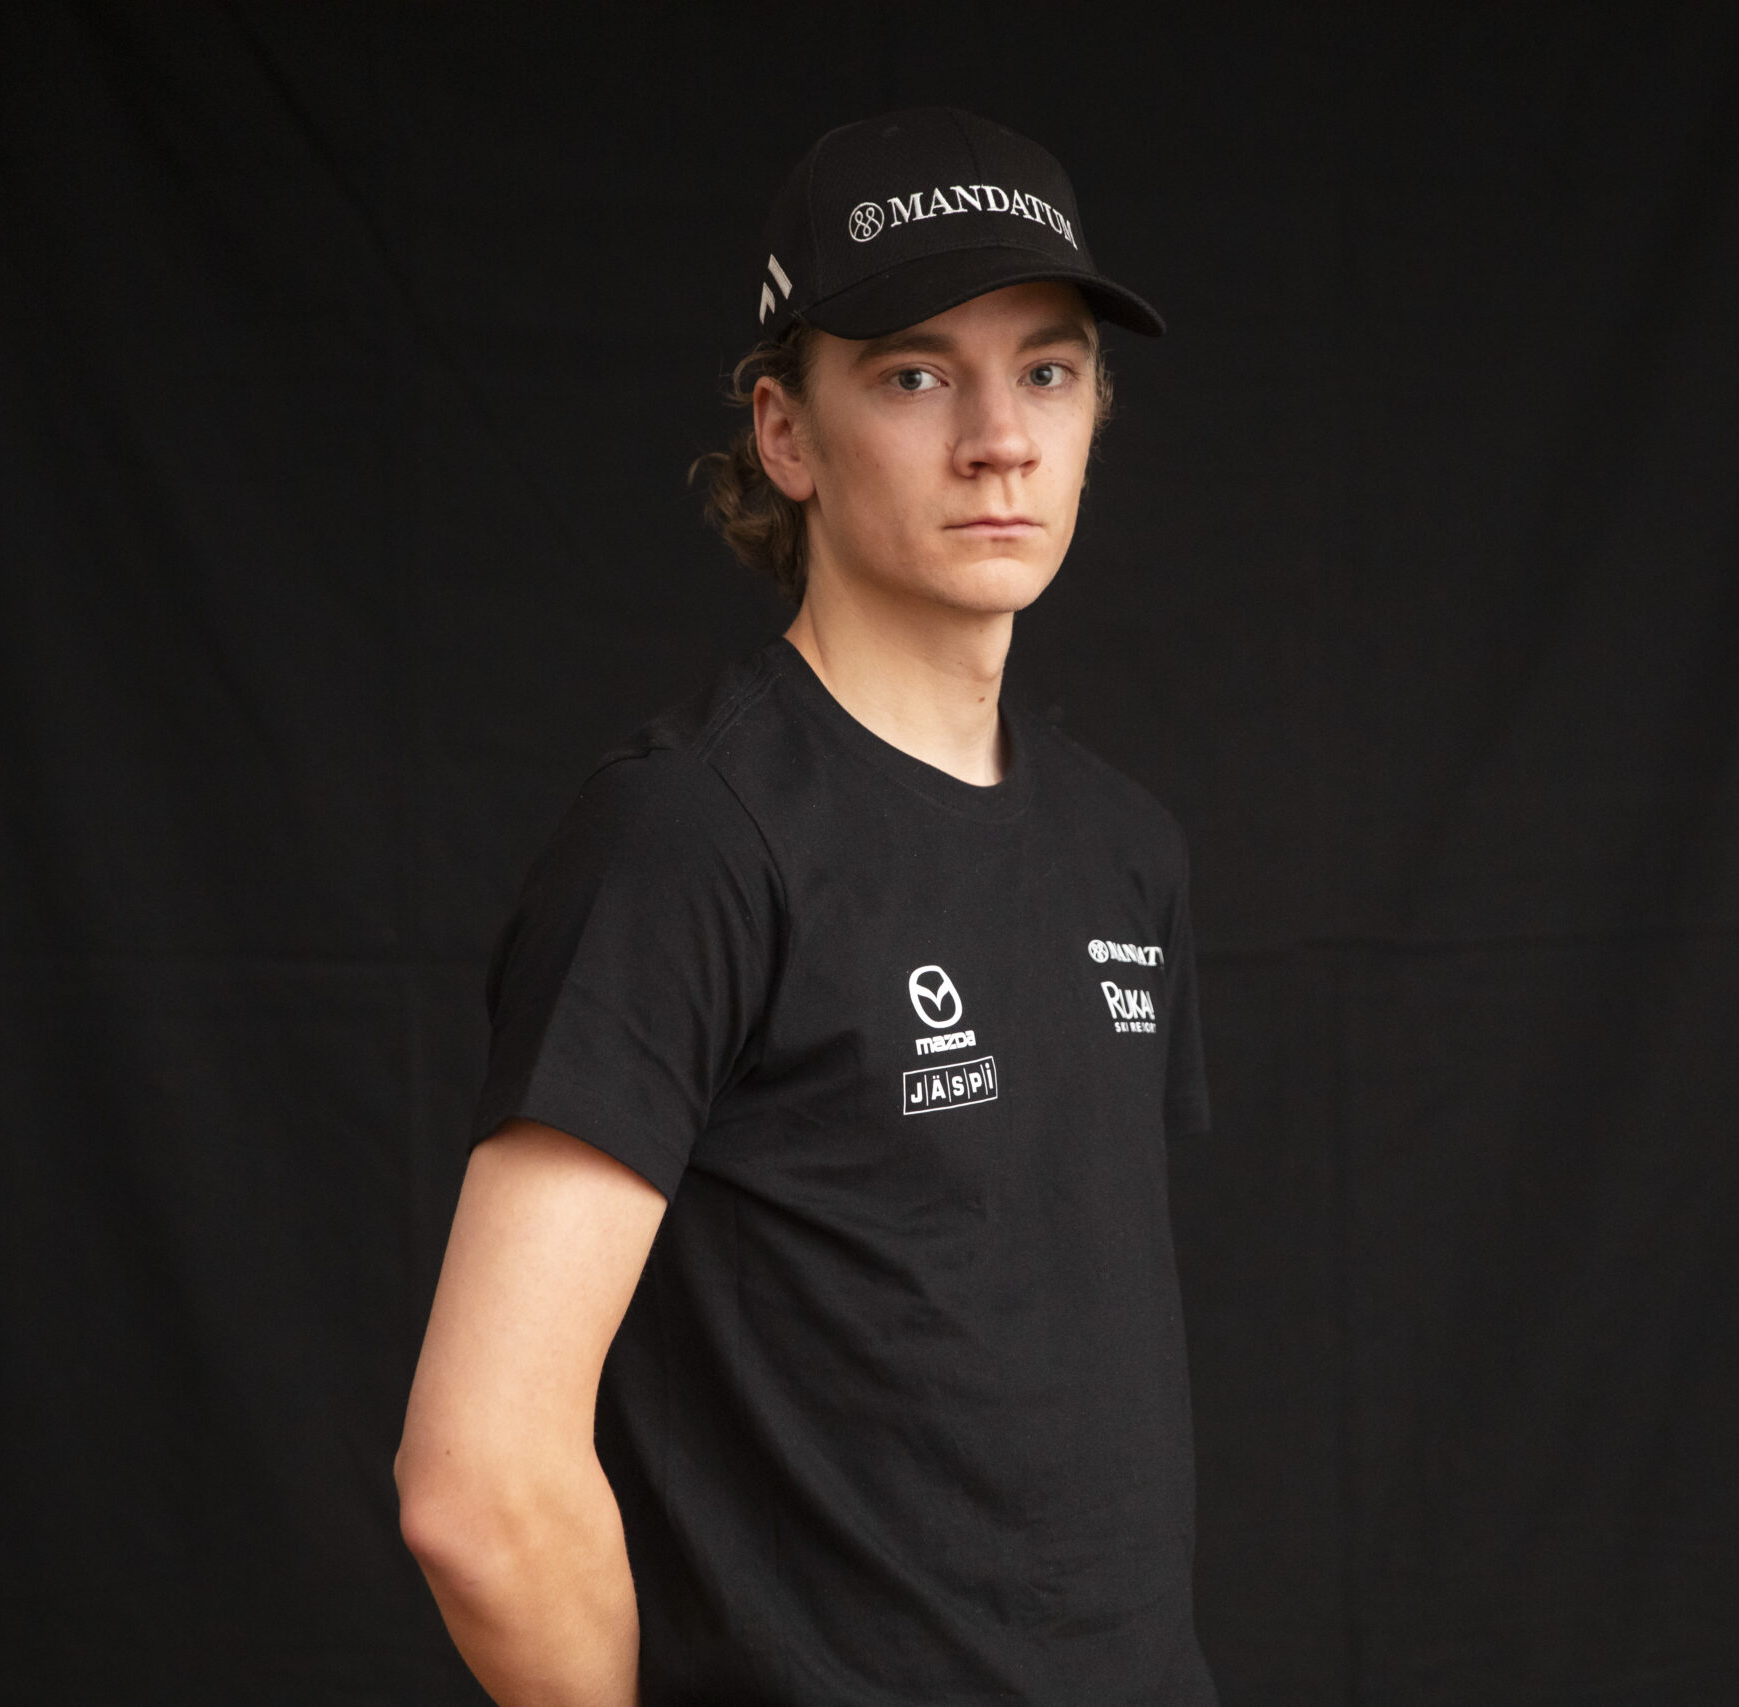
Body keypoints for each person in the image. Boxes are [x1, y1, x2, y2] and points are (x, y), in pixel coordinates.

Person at [394, 107, 1213, 1706]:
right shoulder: (693, 840)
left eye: (1048, 371)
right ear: (785, 434)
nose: (1001, 438)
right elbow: (477, 1487)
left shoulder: (1127, 849)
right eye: (915, 376)